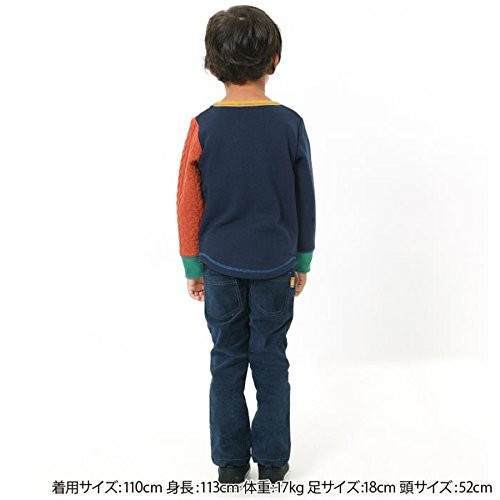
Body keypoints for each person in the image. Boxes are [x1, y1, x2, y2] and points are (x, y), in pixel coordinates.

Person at [176, 4, 316, 486]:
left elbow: (188, 200)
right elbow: (305, 197)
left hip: (219, 265)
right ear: (274, 59)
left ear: (212, 63)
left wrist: (192, 265)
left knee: (226, 360)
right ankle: (273, 462)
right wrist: (302, 258)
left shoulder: (203, 125)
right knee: (271, 358)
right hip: (276, 264)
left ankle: (231, 463)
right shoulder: (290, 124)